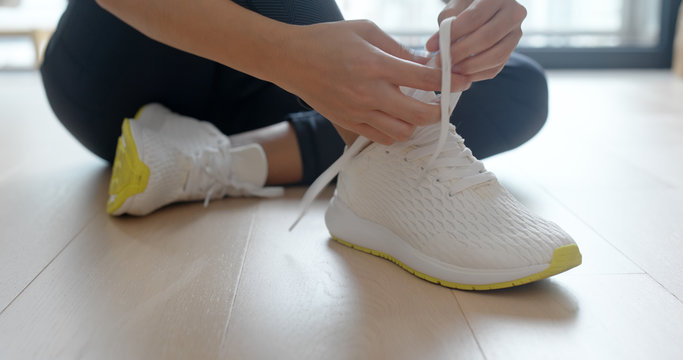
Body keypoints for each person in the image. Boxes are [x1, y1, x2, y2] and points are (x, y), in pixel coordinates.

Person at [41, 0, 581, 290]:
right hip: (120, 64)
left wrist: (475, 14)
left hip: (273, 83)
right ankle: (382, 158)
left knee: (519, 86)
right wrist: (288, 55)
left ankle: (207, 162)